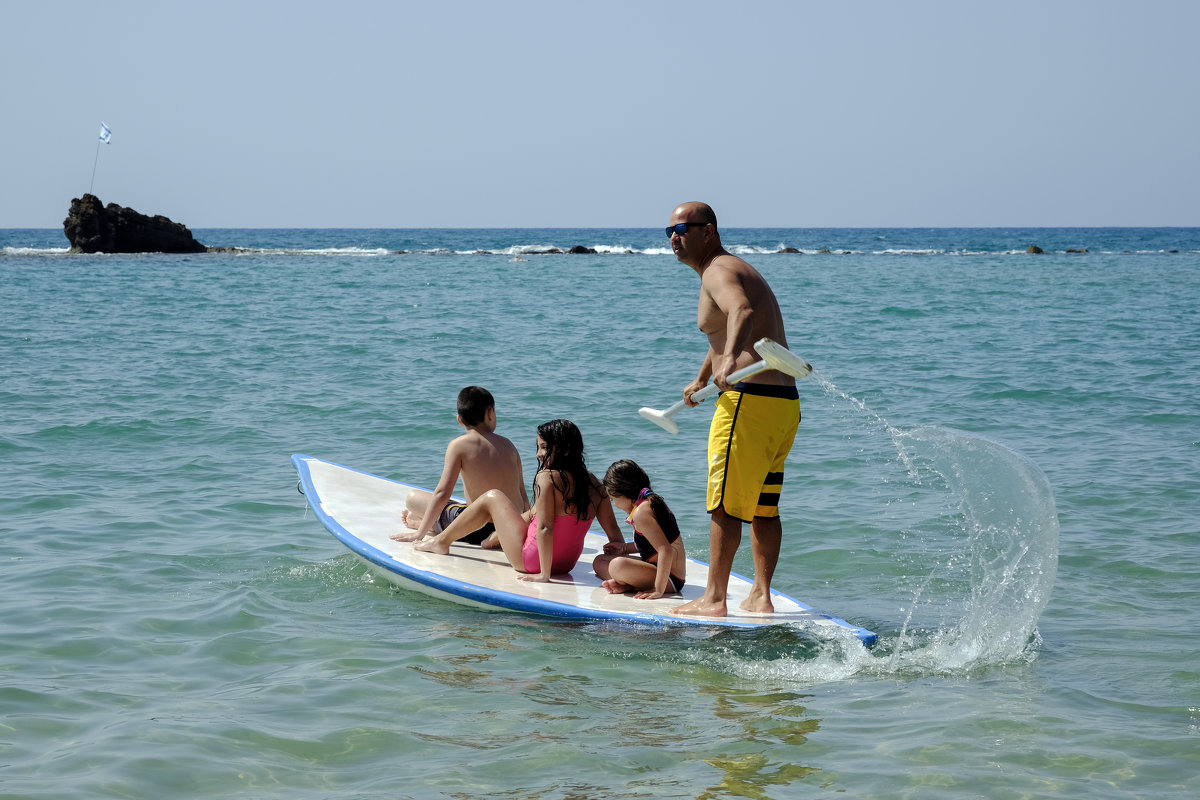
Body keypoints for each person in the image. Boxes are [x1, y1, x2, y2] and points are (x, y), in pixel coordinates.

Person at [664, 201, 800, 617]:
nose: (674, 236)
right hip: (781, 404)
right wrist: (704, 375)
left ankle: (714, 599)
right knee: (763, 505)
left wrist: (727, 364)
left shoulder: (718, 271)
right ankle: (760, 595)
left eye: (684, 227)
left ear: (709, 231)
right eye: (669, 230)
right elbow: (726, 329)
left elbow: (742, 310)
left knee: (724, 503)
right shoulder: (729, 268)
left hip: (748, 402)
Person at [414, 419, 623, 582]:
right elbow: (614, 534)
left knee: (492, 497)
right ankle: (488, 540)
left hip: (532, 562)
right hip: (567, 563)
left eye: (544, 447)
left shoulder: (547, 478)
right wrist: (620, 570)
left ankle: (441, 542)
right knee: (523, 518)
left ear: (565, 450)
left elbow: (545, 529)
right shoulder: (594, 484)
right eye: (538, 447)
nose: (538, 454)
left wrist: (544, 575)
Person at [391, 386, 529, 546]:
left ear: (459, 420)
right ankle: (430, 523)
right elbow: (522, 494)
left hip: (476, 529)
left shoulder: (459, 445)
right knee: (458, 505)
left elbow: (442, 493)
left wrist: (419, 534)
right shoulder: (509, 445)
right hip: (510, 525)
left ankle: (424, 525)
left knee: (413, 499)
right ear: (491, 413)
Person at [592, 460, 686, 599]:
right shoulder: (647, 502)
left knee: (617, 565)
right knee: (599, 562)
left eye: (613, 499)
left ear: (622, 493)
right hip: (655, 569)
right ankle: (627, 584)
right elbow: (651, 542)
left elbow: (665, 550)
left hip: (670, 579)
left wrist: (658, 590)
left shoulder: (642, 512)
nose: (615, 504)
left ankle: (628, 584)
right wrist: (624, 548)